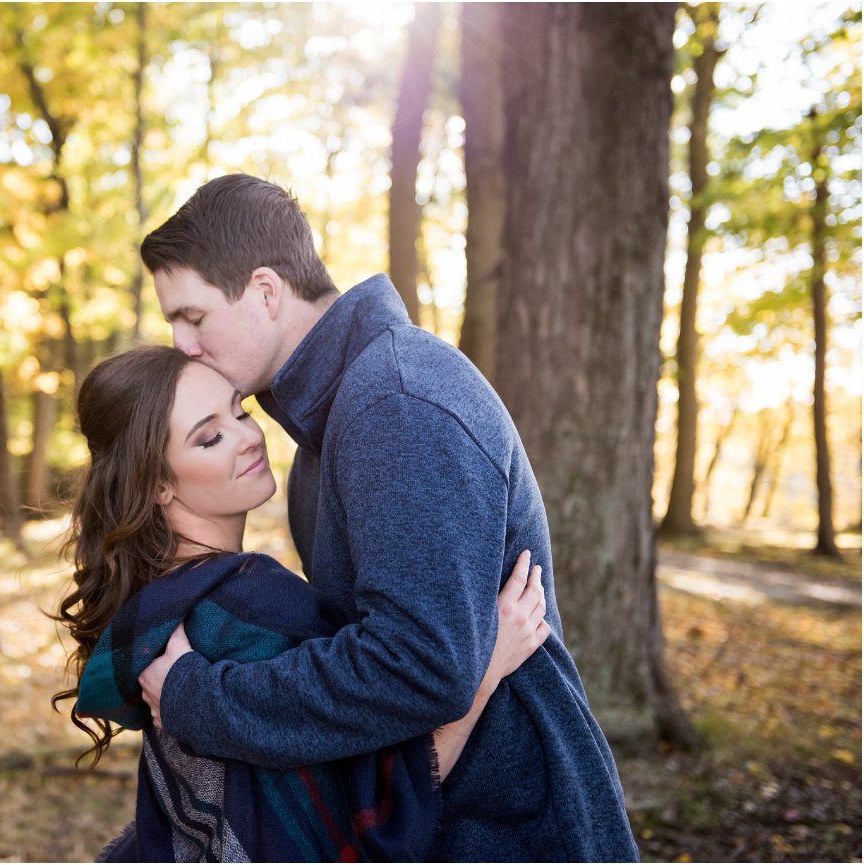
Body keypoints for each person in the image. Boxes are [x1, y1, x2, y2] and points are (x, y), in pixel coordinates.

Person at [135, 174, 639, 861]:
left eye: (192, 316)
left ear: (265, 291)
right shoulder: (332, 424)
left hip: (512, 828)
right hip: (434, 815)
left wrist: (203, 701)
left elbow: (420, 665)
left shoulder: (393, 400)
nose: (183, 343)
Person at [55, 345, 550, 862]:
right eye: (210, 437)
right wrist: (487, 664)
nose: (248, 437)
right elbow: (367, 819)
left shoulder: (164, 601)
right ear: (157, 484)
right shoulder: (245, 608)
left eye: (240, 410)